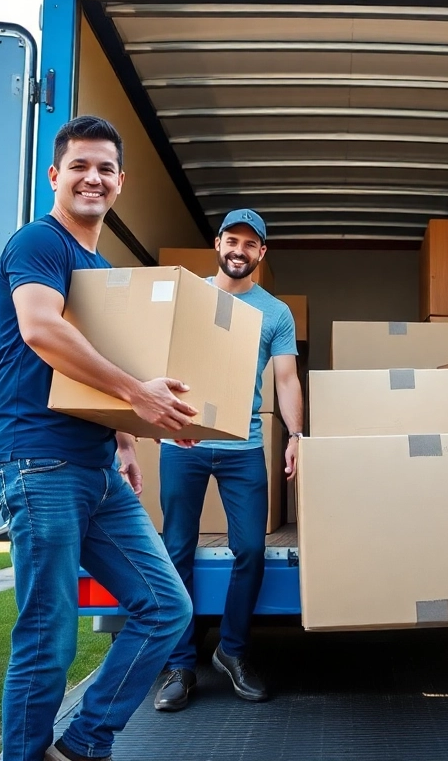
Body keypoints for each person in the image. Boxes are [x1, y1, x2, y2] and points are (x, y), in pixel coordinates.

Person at [0, 115, 195, 761]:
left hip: (96, 468)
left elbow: (93, 367)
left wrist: (127, 439)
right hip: (37, 460)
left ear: (120, 181)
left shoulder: (99, 269)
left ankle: (82, 745)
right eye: (79, 165)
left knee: (166, 607)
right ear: (55, 174)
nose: (92, 178)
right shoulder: (38, 244)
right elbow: (42, 332)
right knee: (49, 635)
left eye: (105, 168)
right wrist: (136, 395)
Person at [152, 208, 303, 710]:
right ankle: (179, 664)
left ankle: (233, 652)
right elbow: (156, 357)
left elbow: (285, 379)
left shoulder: (275, 313)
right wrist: (153, 418)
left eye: (250, 244)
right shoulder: (187, 295)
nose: (239, 250)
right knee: (176, 550)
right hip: (183, 444)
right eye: (231, 240)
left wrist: (296, 434)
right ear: (218, 243)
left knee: (251, 551)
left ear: (262, 253)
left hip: (242, 447)